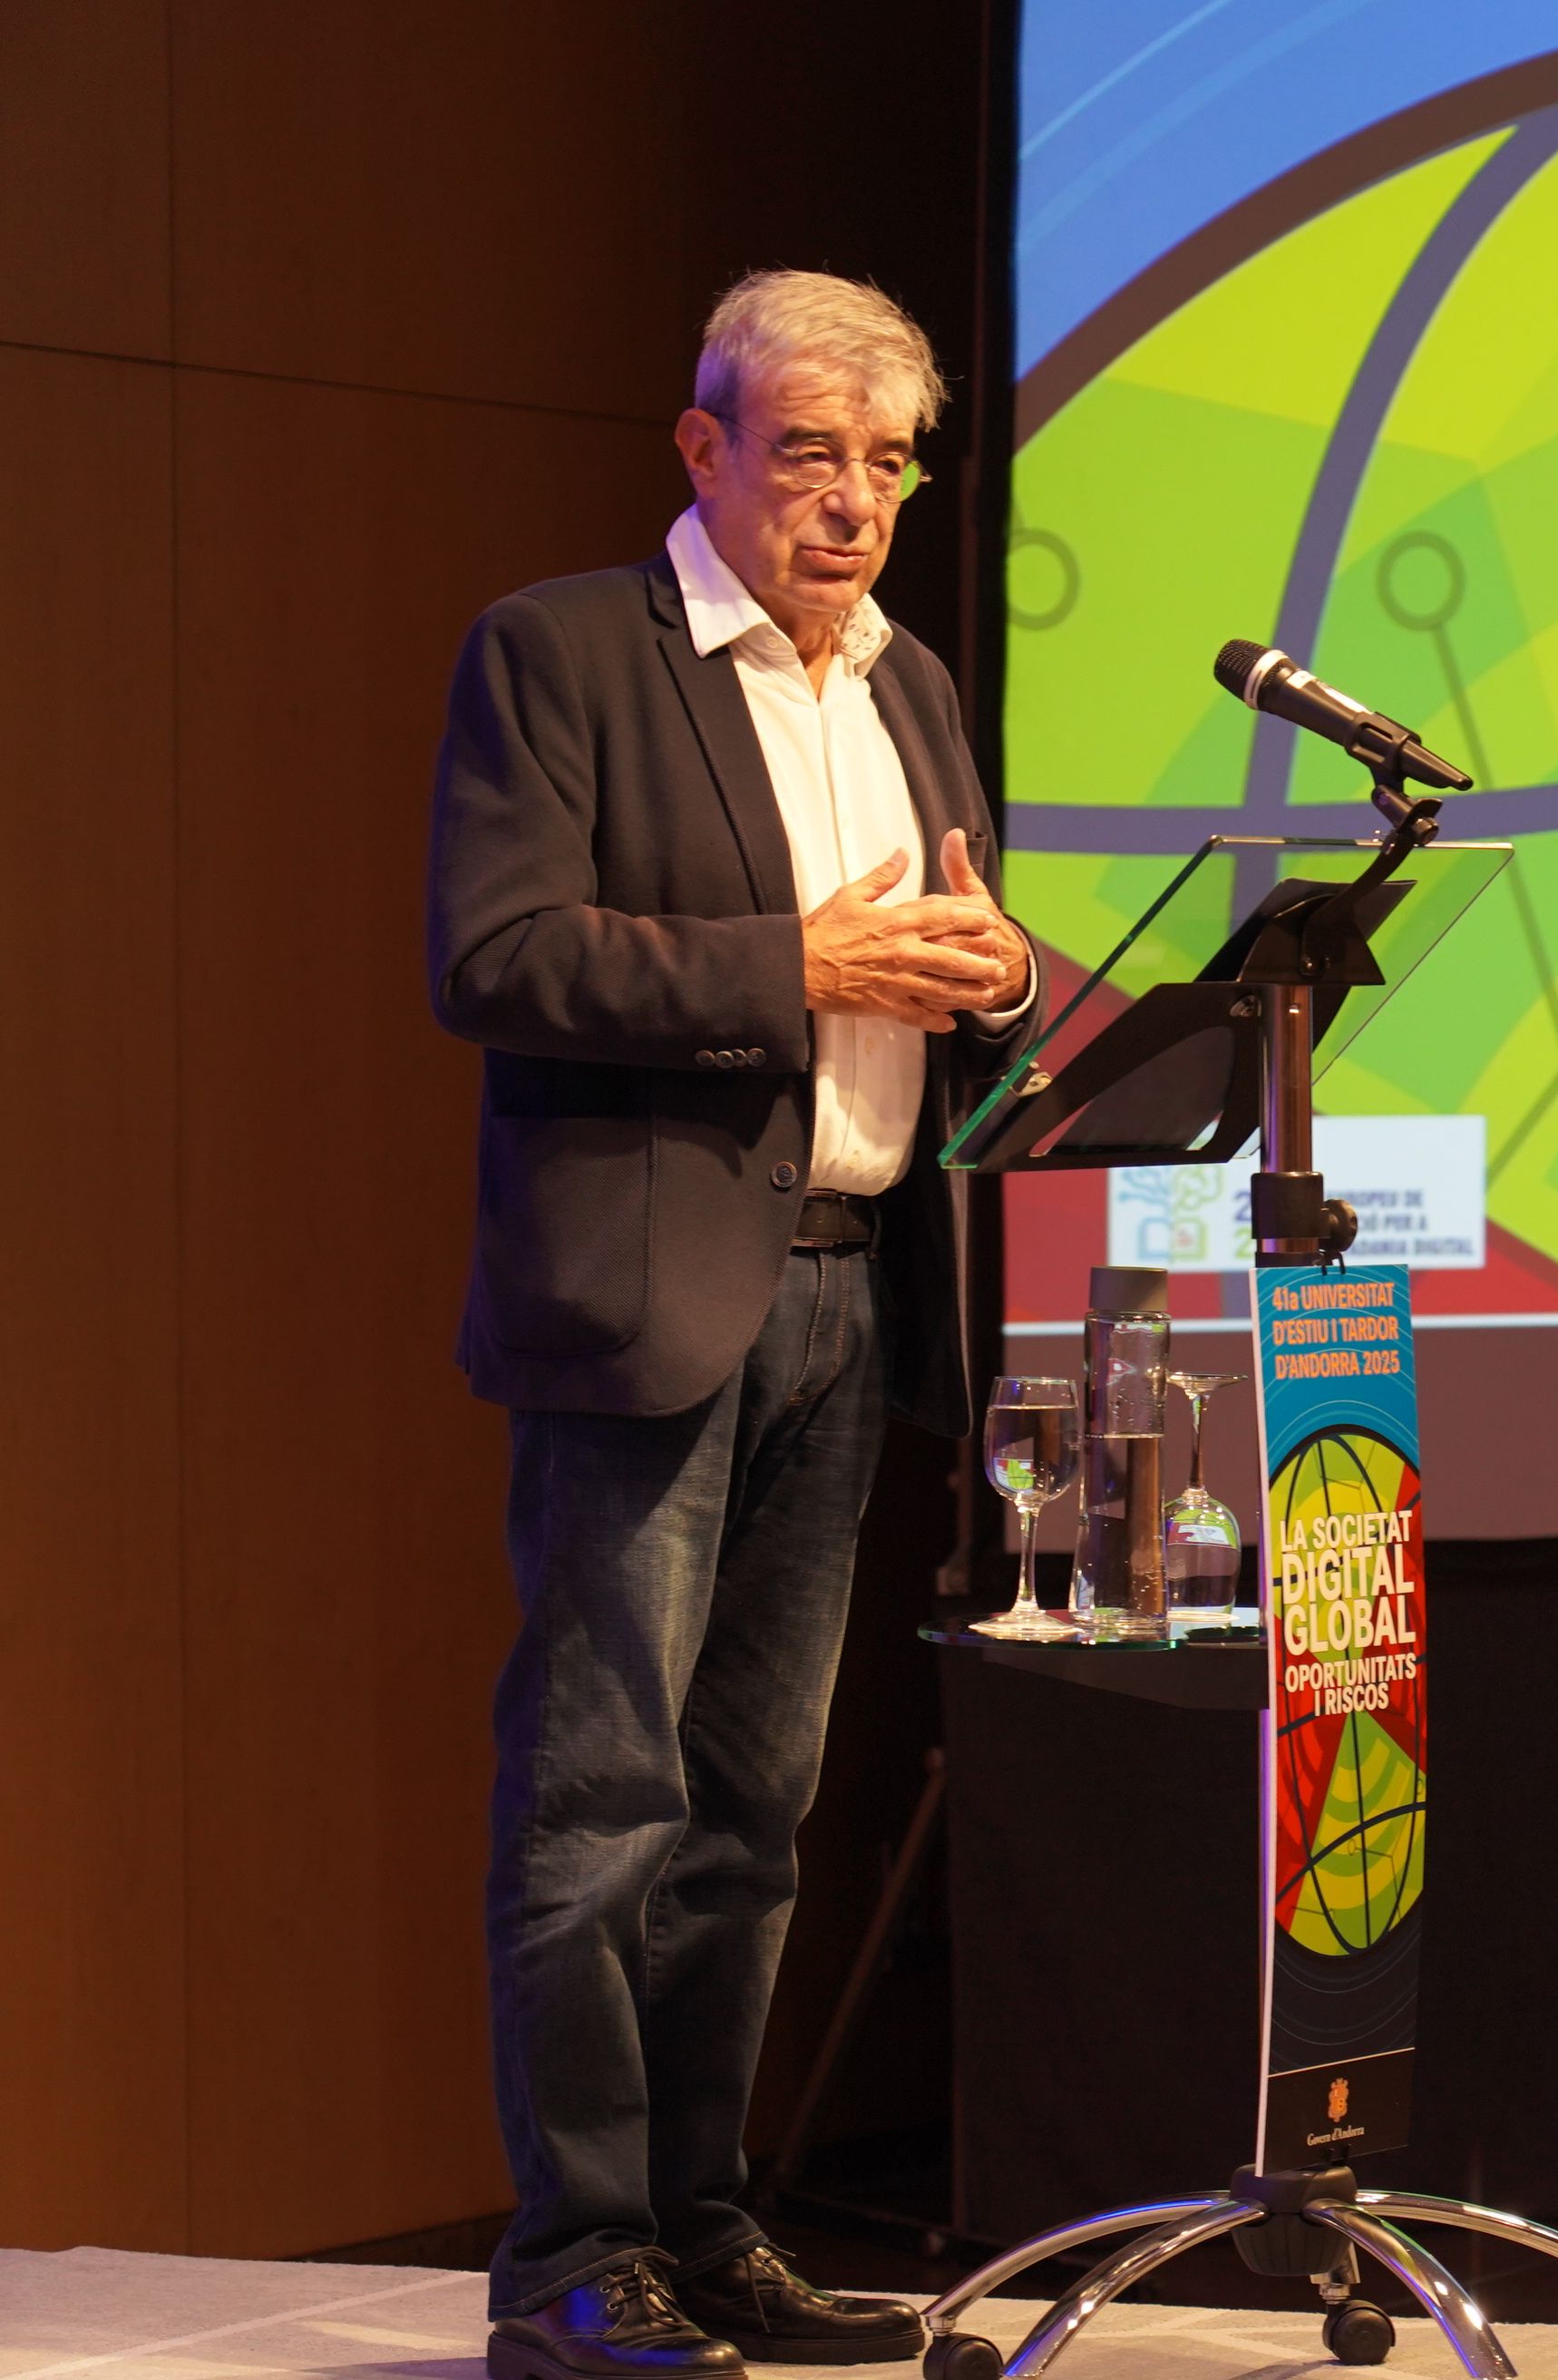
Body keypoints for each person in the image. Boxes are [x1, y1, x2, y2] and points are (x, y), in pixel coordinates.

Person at [427, 270, 1039, 2377]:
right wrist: (797, 962)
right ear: (704, 449)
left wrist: (996, 975)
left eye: (889, 464)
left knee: (751, 1818)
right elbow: (497, 953)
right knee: (599, 1798)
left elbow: (932, 951)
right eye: (809, 454)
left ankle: (702, 2225)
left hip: (854, 1293)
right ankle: (571, 2258)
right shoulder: (563, 652)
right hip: (650, 1304)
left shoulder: (909, 681)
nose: (853, 501)